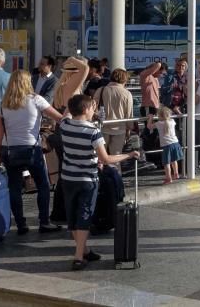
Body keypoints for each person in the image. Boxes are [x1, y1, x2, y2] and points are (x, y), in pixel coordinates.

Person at [57, 94, 139, 270]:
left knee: (72, 214)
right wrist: (129, 155)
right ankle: (78, 256)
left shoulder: (64, 125)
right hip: (87, 179)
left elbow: (67, 112)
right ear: (86, 110)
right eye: (92, 107)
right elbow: (106, 158)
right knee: (84, 215)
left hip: (68, 178)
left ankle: (84, 249)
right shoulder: (93, 132)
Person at [0, 69, 64, 235]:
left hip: (9, 149)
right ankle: (44, 222)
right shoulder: (36, 100)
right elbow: (59, 118)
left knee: (14, 187)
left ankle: (20, 224)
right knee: (43, 185)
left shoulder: (4, 103)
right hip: (32, 148)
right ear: (28, 83)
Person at [94, 68, 134, 167]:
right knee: (116, 158)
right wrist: (129, 128)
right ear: (124, 79)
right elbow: (129, 115)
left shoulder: (101, 90)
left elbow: (93, 109)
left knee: (99, 158)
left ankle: (99, 179)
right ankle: (115, 179)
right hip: (119, 129)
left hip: (101, 127)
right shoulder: (127, 93)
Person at [147, 106, 182, 185]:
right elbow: (180, 116)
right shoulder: (172, 121)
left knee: (166, 163)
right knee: (174, 160)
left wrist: (150, 118)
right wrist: (177, 111)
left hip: (167, 146)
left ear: (159, 116)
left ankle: (168, 178)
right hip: (175, 143)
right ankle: (176, 173)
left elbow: (149, 126)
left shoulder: (159, 123)